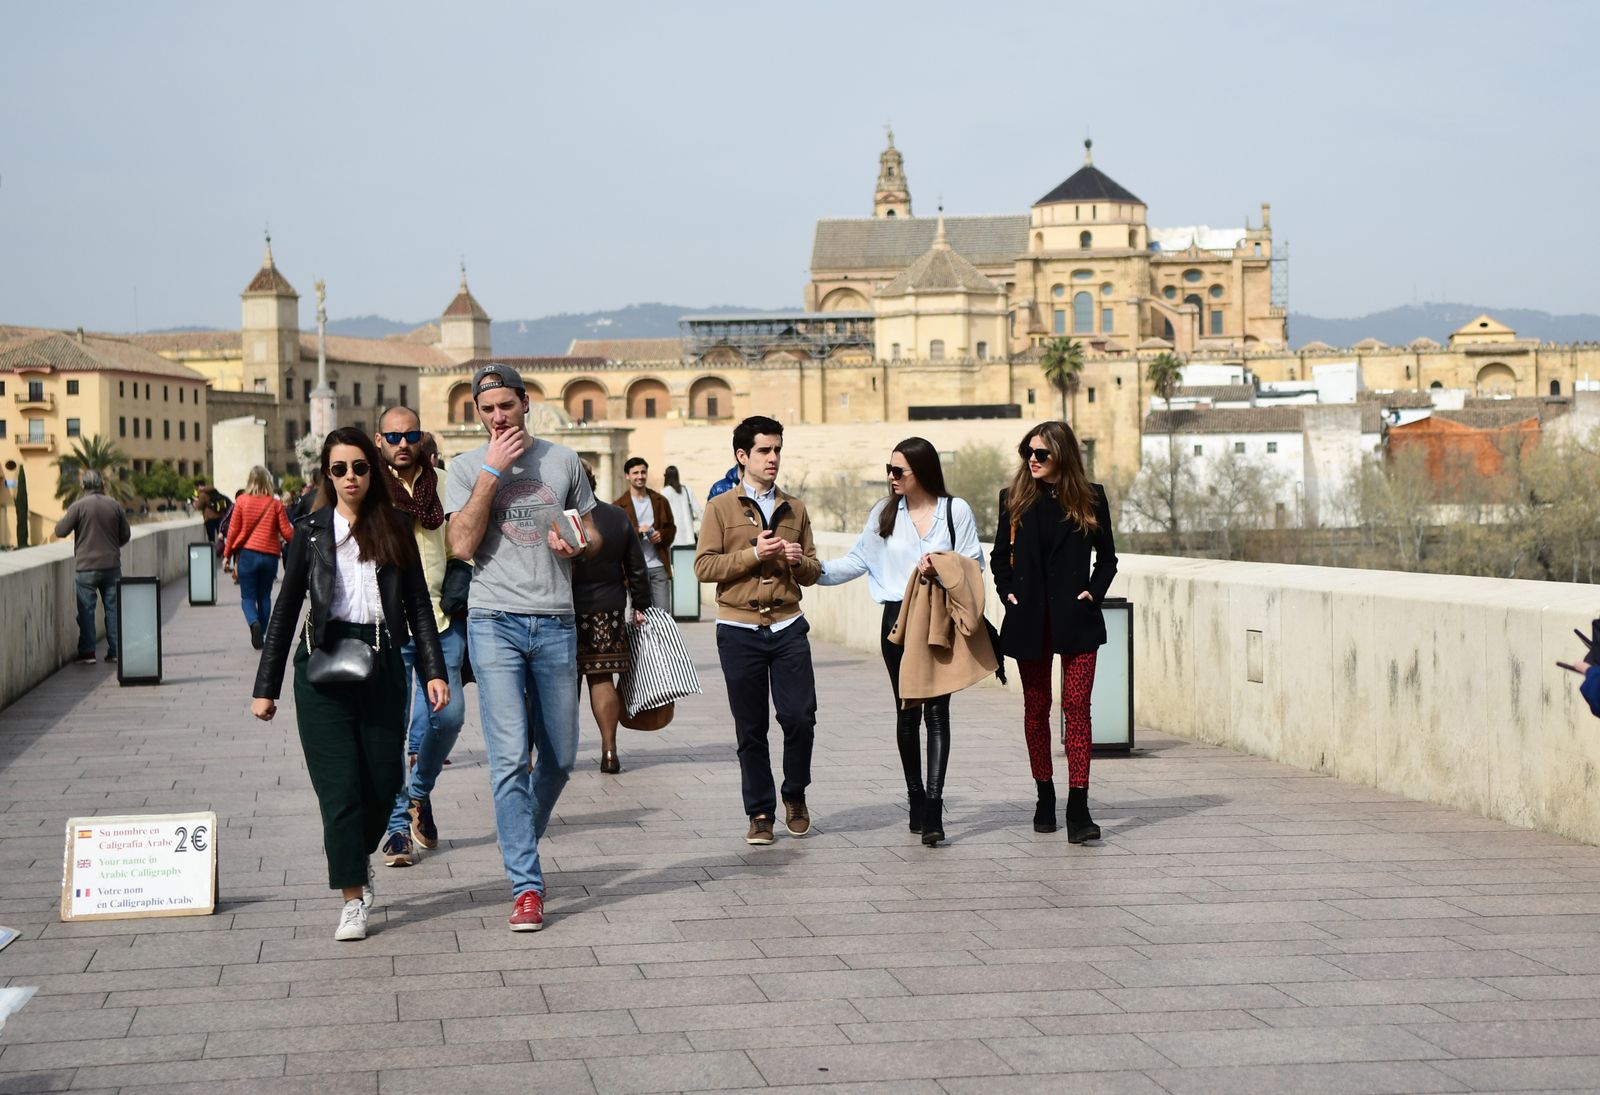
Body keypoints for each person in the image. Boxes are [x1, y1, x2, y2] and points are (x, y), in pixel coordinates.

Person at [250, 427, 447, 942]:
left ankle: (351, 857)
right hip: (321, 665)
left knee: (383, 783)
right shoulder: (310, 531)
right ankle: (353, 898)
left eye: (359, 467)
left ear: (372, 470)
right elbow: (286, 610)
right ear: (327, 475)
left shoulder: (396, 526)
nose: (350, 477)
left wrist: (434, 672)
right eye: (339, 469)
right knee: (338, 790)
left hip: (383, 661)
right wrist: (265, 686)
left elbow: (420, 609)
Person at [445, 362, 602, 932]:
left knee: (559, 757)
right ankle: (527, 885)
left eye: (505, 406)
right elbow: (460, 544)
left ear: (525, 403)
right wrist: (492, 472)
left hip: (556, 620)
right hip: (494, 622)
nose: (496, 417)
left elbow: (591, 533)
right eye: (486, 410)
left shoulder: (563, 461)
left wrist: (575, 544)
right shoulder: (464, 468)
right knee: (511, 756)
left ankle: (517, 833)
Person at [818, 438, 984, 845]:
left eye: (899, 471)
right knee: (908, 711)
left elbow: (975, 562)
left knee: (938, 712)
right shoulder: (883, 513)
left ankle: (933, 806)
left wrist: (941, 566)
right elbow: (857, 560)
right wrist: (811, 570)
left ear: (922, 472)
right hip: (898, 619)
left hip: (940, 619)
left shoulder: (954, 510)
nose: (891, 478)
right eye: (888, 470)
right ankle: (914, 797)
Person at [694, 415, 822, 846]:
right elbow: (703, 567)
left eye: (778, 449)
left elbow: (812, 569)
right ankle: (761, 812)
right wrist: (752, 554)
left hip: (788, 625)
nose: (773, 458)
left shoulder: (796, 508)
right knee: (750, 727)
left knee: (800, 717)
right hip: (738, 628)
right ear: (742, 456)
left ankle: (795, 794)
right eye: (765, 450)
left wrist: (796, 561)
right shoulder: (720, 508)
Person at [992, 420, 1118, 844]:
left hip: (1076, 619)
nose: (1032, 459)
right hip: (1029, 619)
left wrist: (1093, 594)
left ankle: (1078, 805)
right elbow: (998, 558)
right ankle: (1044, 795)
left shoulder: (1092, 498)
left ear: (1061, 456)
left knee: (1078, 707)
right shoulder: (1013, 500)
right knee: (1036, 709)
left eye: (1041, 453)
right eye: (1028, 452)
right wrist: (1008, 592)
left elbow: (1108, 559)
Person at [374, 407, 468, 869]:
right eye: (393, 435)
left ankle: (417, 793)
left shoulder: (447, 484)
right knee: (392, 728)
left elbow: (465, 541)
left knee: (448, 719)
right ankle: (396, 828)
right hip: (387, 625)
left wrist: (460, 578)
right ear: (379, 440)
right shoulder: (369, 489)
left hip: (439, 619)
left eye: (410, 434)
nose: (403, 442)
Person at [575, 460, 650, 774]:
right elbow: (636, 566)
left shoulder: (559, 520)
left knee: (560, 685)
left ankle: (555, 755)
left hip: (562, 609)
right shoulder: (617, 516)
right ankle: (609, 750)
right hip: (608, 609)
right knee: (602, 678)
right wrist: (641, 603)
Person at [54, 470, 131, 666]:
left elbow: (60, 531)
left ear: (83, 486)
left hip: (86, 568)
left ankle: (88, 652)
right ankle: (115, 651)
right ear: (102, 484)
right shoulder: (114, 505)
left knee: (86, 611)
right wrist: (112, 547)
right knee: (113, 609)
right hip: (112, 565)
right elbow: (126, 535)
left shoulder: (78, 507)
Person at [225, 466, 295, 650]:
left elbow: (232, 531)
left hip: (248, 555)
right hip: (270, 556)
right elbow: (287, 532)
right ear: (268, 482)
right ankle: (261, 632)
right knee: (264, 596)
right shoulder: (275, 504)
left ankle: (254, 623)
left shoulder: (241, 501)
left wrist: (226, 555)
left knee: (248, 596)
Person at [614, 456, 676, 616]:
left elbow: (671, 529)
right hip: (634, 570)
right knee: (639, 616)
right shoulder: (618, 506)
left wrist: (661, 535)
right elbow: (615, 537)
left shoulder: (660, 501)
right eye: (635, 473)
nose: (640, 476)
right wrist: (637, 532)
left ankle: (662, 642)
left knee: (664, 615)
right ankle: (642, 642)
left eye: (643, 472)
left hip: (658, 565)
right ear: (627, 476)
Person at [661, 465, 701, 542]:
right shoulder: (687, 490)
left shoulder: (664, 492)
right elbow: (699, 510)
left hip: (674, 536)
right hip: (689, 535)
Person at [194, 476, 226, 542]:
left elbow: (198, 507)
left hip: (209, 518)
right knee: (220, 537)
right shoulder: (214, 491)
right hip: (219, 516)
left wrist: (196, 501)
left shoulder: (203, 494)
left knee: (211, 539)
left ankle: (213, 551)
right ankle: (221, 551)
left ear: (199, 486)